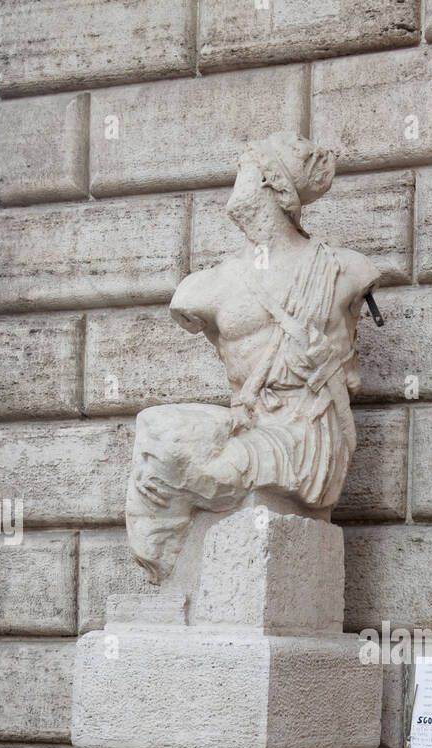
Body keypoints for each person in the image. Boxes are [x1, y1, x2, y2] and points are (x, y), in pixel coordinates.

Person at [126, 132, 380, 582]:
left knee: (199, 466)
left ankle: (199, 584)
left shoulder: (345, 270)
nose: (235, 181)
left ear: (271, 183)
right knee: (155, 430)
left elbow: (349, 379)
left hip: (305, 428)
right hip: (248, 419)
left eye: (244, 168)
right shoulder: (206, 286)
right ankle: (167, 584)